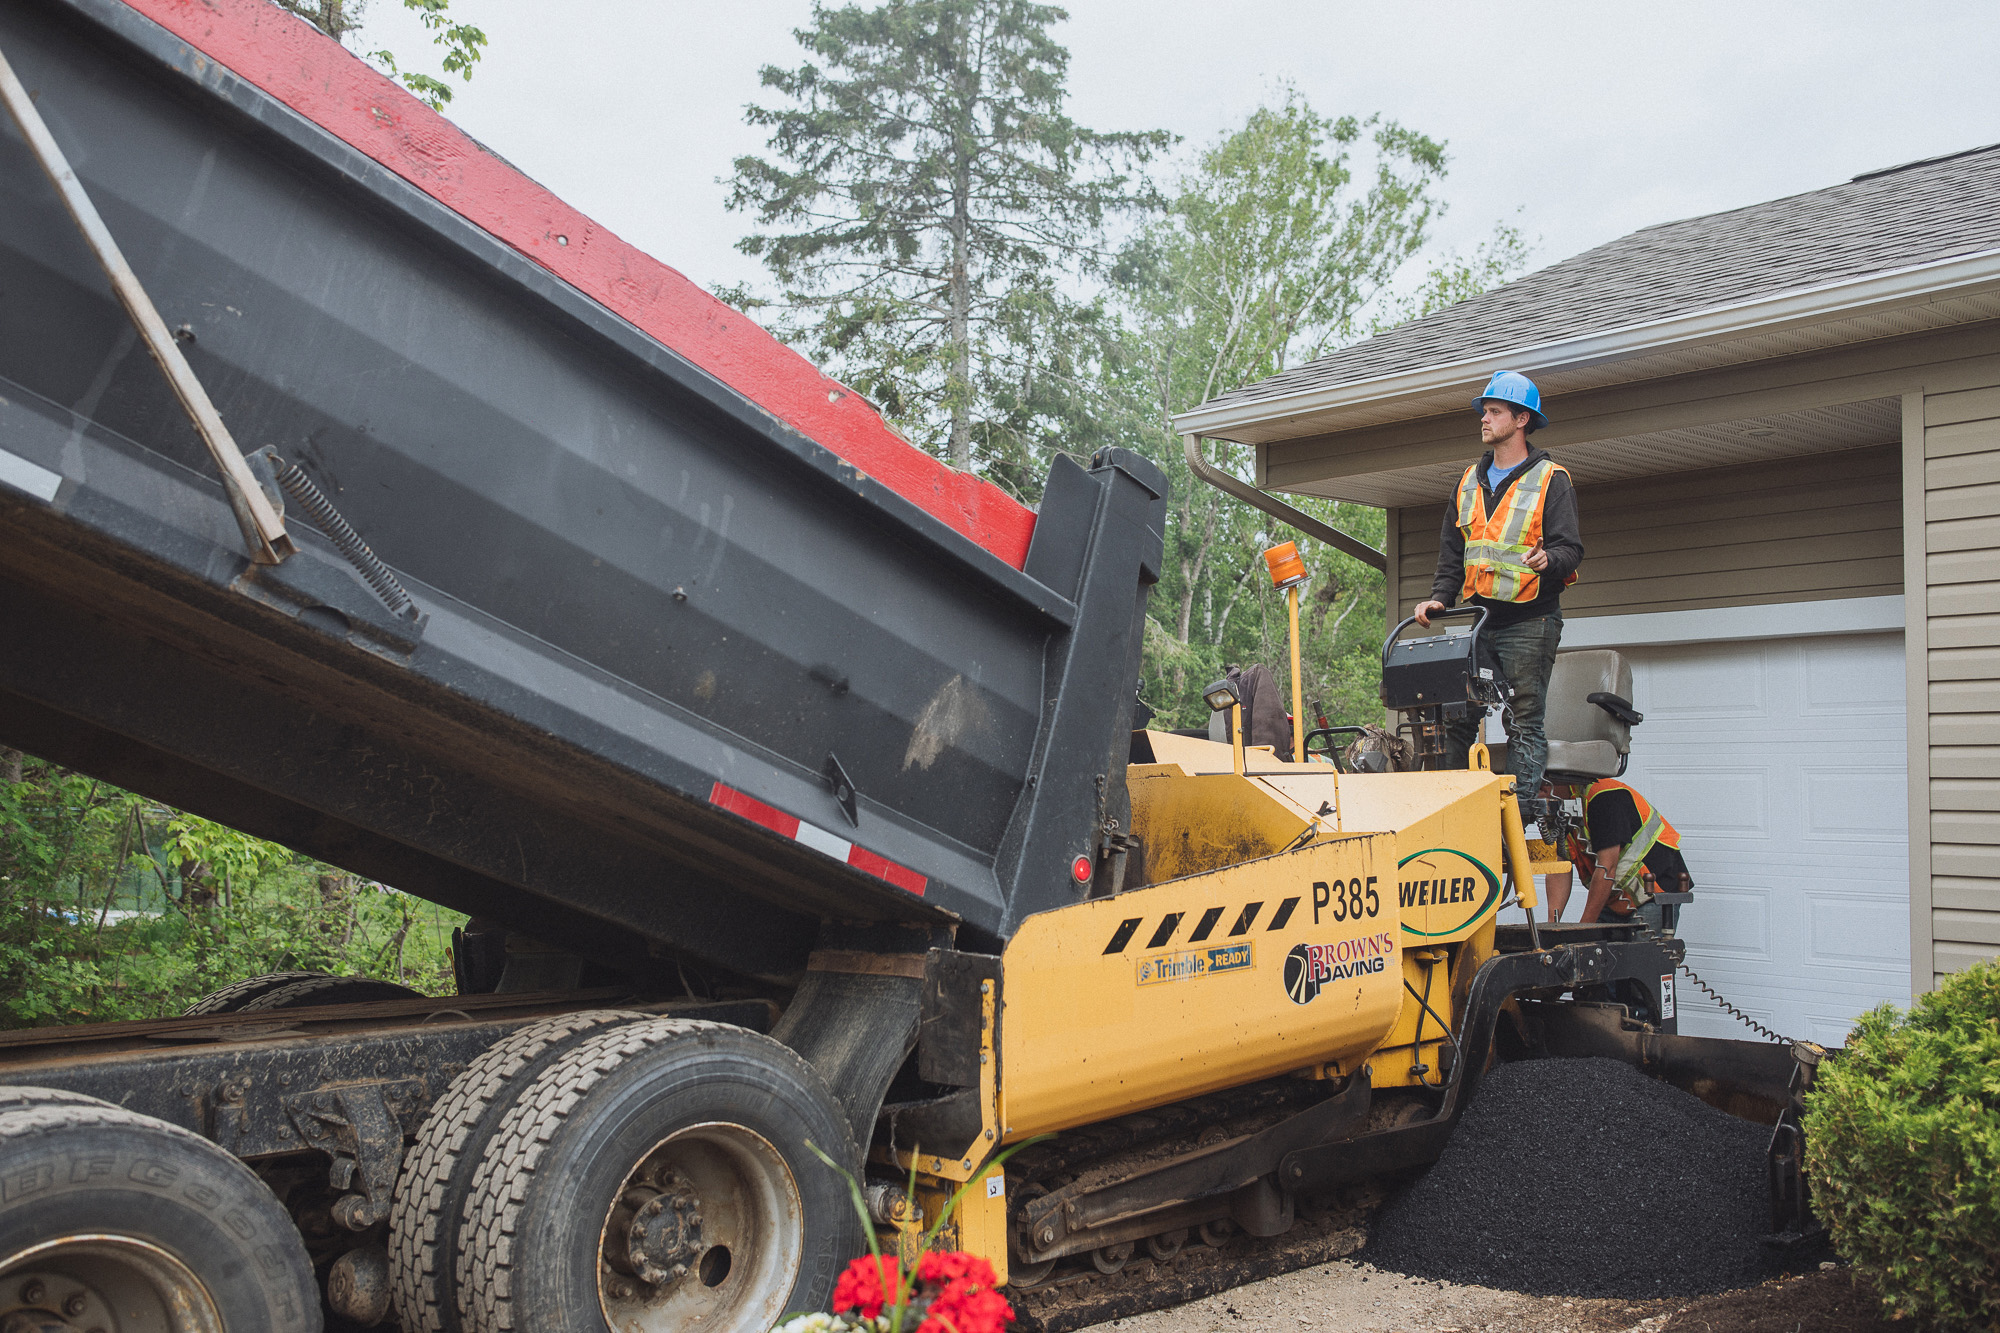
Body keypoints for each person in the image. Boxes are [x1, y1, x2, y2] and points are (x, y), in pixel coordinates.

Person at [1412, 371, 1582, 796]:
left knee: (1522, 719)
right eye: (1484, 412)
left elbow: (1570, 550)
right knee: (1458, 715)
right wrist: (1438, 599)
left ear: (1521, 419)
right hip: (1478, 621)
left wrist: (1549, 558)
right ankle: (1446, 806)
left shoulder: (1550, 478)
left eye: (1493, 412)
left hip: (1530, 621)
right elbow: (1453, 553)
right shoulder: (1468, 480)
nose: (1484, 419)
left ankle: (1521, 812)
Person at [1545, 777, 1694, 934]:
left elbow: (1607, 869)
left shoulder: (1604, 797)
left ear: (1546, 785)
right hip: (1615, 898)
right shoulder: (1559, 806)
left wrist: (1583, 929)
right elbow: (1560, 867)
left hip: (1654, 893)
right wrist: (1552, 925)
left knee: (1642, 956)